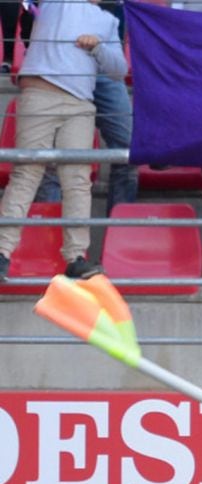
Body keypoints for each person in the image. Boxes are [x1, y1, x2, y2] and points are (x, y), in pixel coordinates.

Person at [0, 0, 126, 282]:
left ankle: (76, 257)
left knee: (78, 179)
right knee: (26, 173)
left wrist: (98, 47)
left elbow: (119, 70)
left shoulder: (109, 21)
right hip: (40, 93)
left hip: (80, 102)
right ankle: (1, 252)